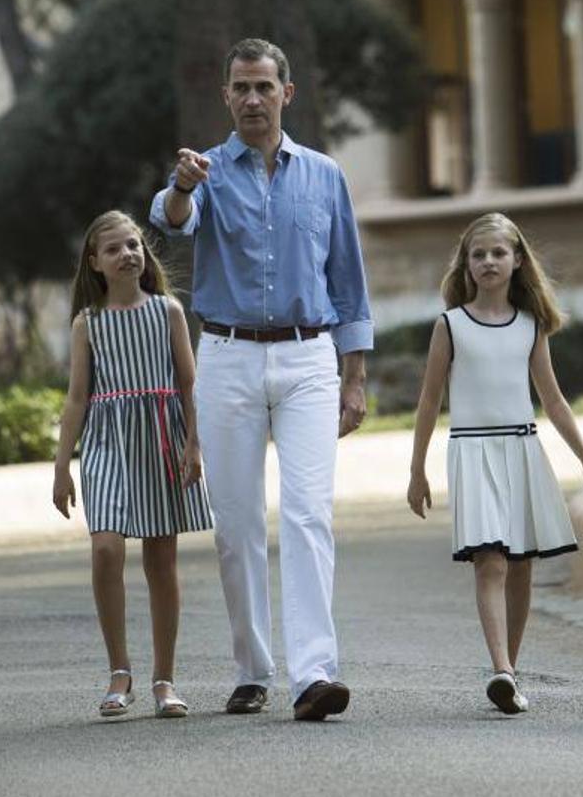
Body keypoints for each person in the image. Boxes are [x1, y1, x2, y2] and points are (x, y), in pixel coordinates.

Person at [149, 38, 372, 722]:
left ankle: (313, 674)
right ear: (225, 96)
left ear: (286, 93)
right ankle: (251, 670)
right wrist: (183, 185)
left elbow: (347, 279)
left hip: (309, 359)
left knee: (308, 515)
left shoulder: (324, 175)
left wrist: (353, 375)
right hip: (227, 357)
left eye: (263, 87)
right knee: (238, 522)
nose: (251, 99)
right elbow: (169, 220)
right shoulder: (205, 173)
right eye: (240, 88)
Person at [407, 212, 583, 714]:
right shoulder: (450, 326)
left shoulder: (530, 324)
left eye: (498, 253)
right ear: (467, 265)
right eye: (478, 254)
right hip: (472, 451)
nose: (489, 261)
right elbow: (429, 401)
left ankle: (509, 674)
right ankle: (499, 666)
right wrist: (417, 470)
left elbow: (555, 400)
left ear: (518, 260)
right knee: (490, 560)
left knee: (521, 564)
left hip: (521, 448)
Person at [52, 210, 212, 719]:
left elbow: (189, 384)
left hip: (162, 439)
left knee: (161, 562)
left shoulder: (167, 311)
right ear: (95, 263)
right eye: (115, 249)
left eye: (135, 245)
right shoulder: (88, 324)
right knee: (105, 550)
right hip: (107, 443)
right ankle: (119, 671)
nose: (128, 254)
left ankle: (164, 678)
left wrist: (195, 444)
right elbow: (77, 399)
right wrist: (61, 467)